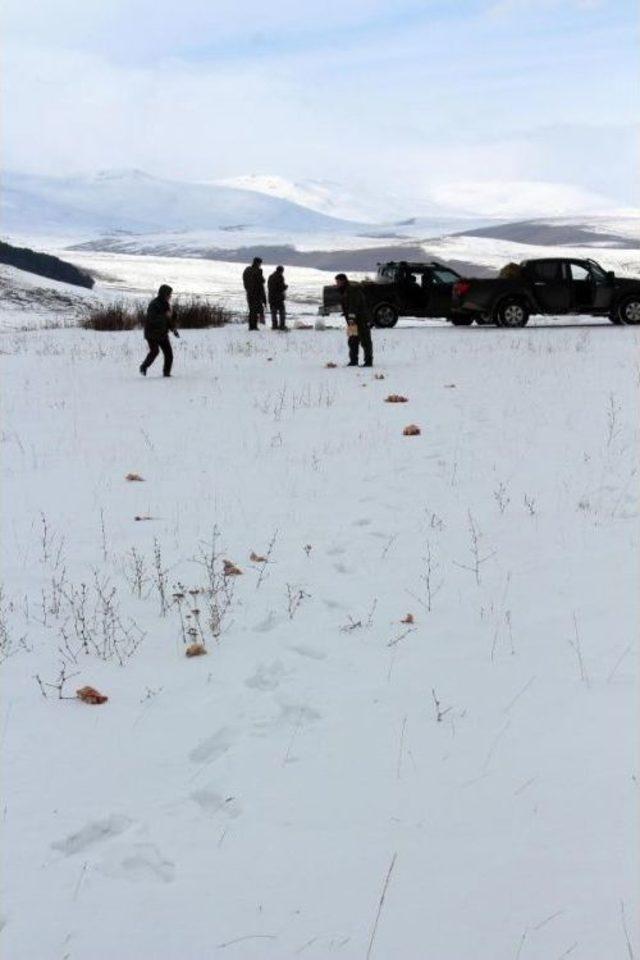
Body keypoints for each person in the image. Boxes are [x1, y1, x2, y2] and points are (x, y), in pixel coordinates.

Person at [139, 284, 179, 377]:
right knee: (155, 351)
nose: (170, 296)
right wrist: (165, 316)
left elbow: (169, 320)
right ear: (164, 294)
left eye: (170, 294)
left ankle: (166, 373)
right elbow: (152, 319)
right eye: (169, 294)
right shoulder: (154, 304)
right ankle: (143, 367)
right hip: (151, 333)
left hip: (162, 333)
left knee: (169, 354)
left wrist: (173, 329)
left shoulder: (166, 304)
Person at [335, 273, 373, 367]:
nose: (337, 284)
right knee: (352, 340)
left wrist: (351, 317)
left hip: (361, 319)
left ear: (343, 281)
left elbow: (353, 305)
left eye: (338, 282)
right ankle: (353, 361)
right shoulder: (344, 290)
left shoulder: (352, 290)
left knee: (365, 340)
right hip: (352, 321)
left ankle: (368, 361)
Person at [242, 257, 267, 331]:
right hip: (256, 293)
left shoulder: (247, 270)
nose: (260, 265)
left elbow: (246, 282)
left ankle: (252, 326)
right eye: (260, 263)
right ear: (258, 263)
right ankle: (253, 327)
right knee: (255, 311)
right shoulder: (257, 271)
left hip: (249, 293)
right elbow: (260, 283)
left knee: (252, 310)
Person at [267, 265, 288, 330]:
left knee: (273, 312)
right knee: (282, 311)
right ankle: (282, 325)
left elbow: (269, 287)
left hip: (271, 297)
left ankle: (274, 326)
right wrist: (285, 287)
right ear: (281, 271)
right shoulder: (280, 277)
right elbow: (281, 287)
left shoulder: (270, 276)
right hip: (278, 298)